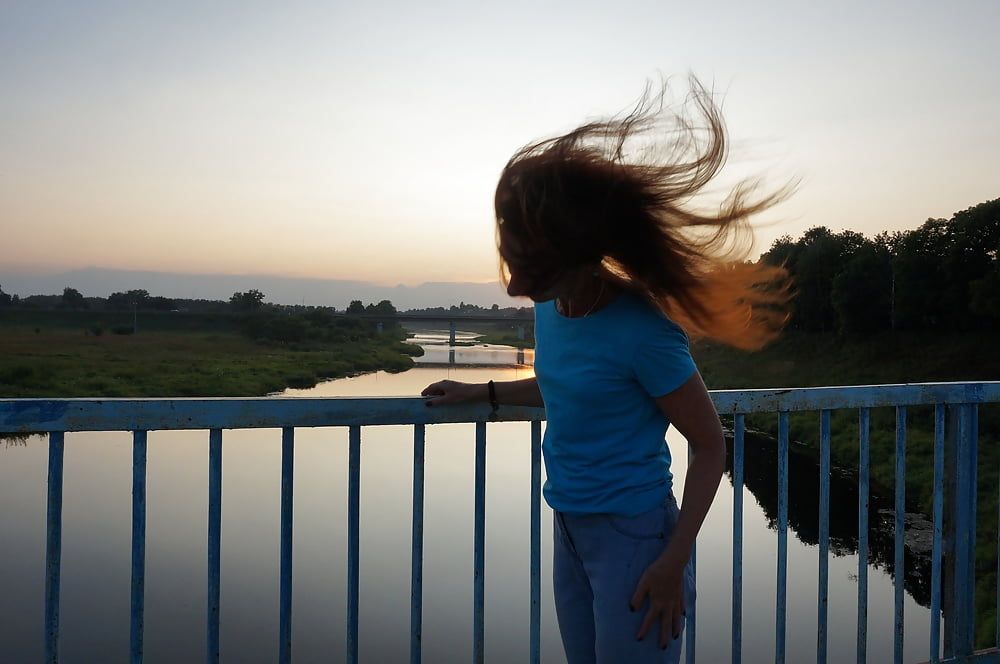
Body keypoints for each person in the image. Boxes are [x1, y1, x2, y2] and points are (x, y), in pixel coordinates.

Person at [421, 77, 790, 664]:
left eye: (528, 270)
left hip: (635, 536)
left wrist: (672, 562)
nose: (514, 286)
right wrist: (480, 390)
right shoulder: (551, 308)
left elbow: (710, 444)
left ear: (574, 256)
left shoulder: (642, 332)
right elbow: (566, 385)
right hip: (567, 524)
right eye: (510, 263)